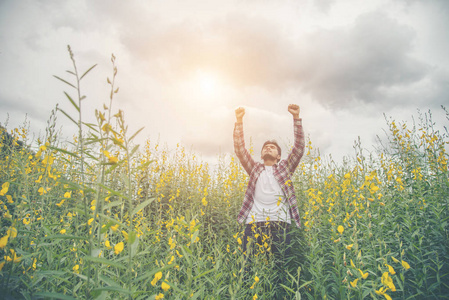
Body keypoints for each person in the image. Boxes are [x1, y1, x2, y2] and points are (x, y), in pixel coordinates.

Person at [233, 104, 305, 271]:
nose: (268, 148)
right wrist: (238, 121)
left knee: (280, 268)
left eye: (272, 147)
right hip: (254, 223)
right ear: (261, 154)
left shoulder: (285, 168)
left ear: (278, 156)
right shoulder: (254, 169)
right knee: (248, 267)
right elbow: (240, 150)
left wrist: (296, 119)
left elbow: (299, 148)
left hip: (280, 224)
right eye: (265, 147)